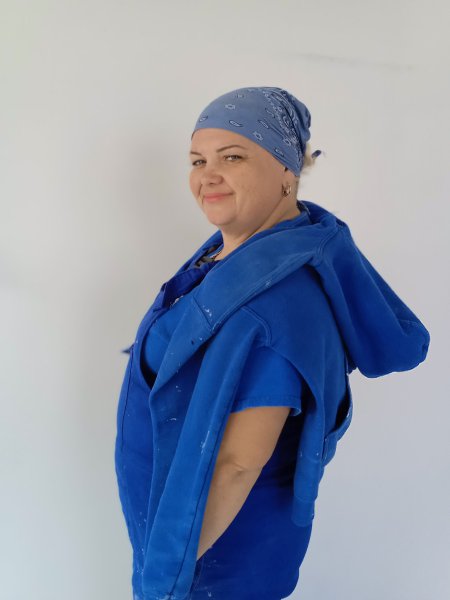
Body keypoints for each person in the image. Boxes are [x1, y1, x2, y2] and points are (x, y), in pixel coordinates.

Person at [114, 86, 430, 600]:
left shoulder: (275, 303)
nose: (207, 176)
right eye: (197, 160)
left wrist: (161, 584)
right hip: (183, 537)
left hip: (212, 564)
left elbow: (236, 466)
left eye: (232, 157)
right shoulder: (233, 256)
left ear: (287, 169)